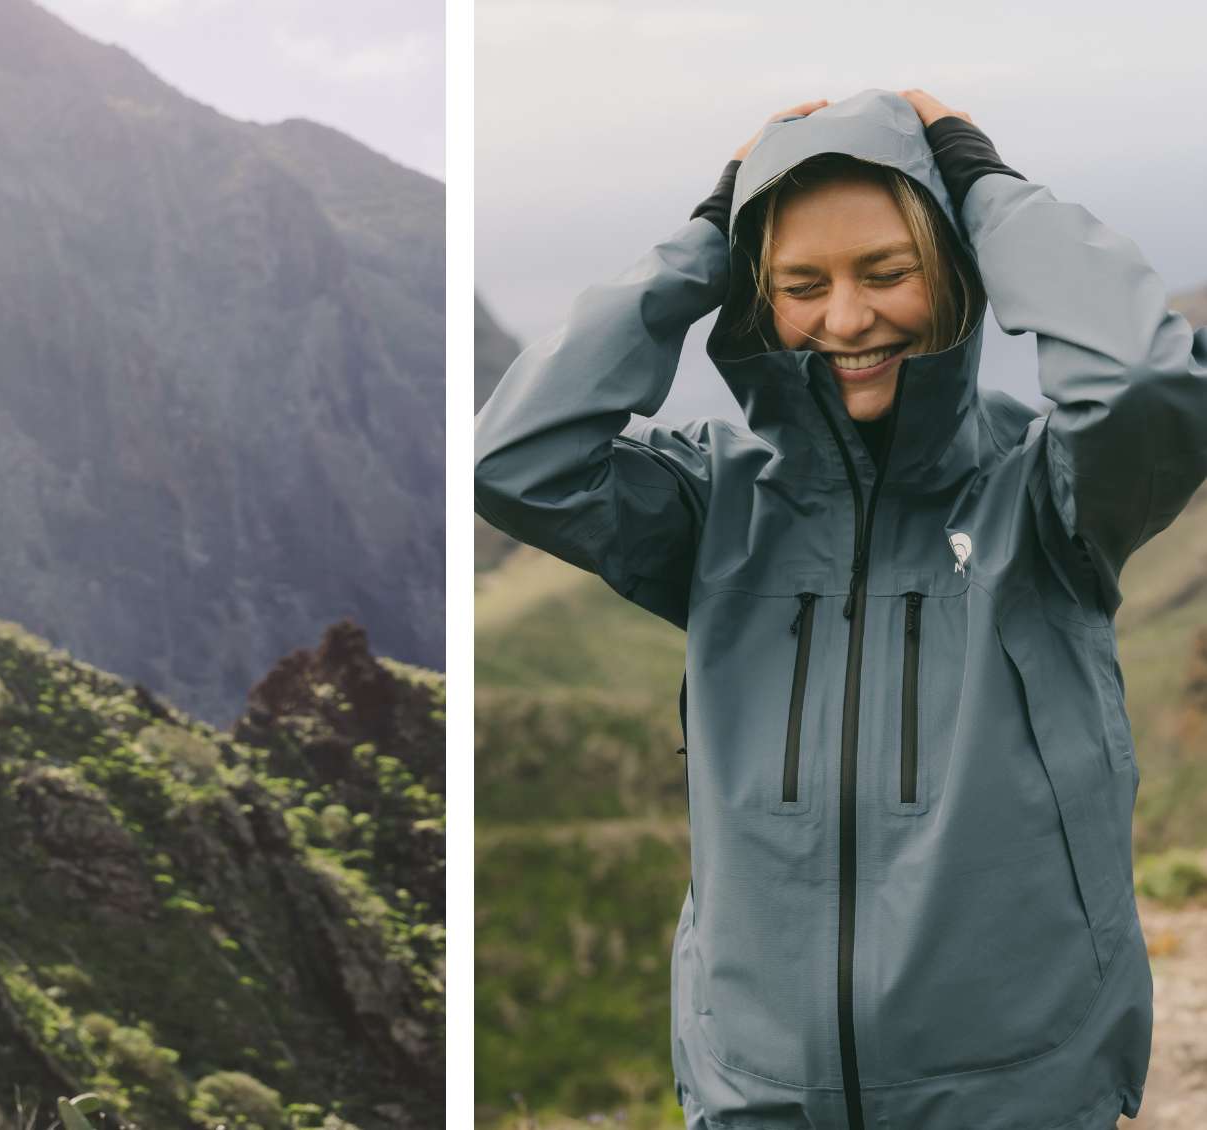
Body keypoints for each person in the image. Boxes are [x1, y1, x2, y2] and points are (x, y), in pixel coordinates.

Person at [477, 89, 1207, 1128]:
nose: (847, 318)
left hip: (1017, 1093)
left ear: (951, 274)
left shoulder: (1046, 497)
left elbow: (1140, 380)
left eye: (888, 271)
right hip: (756, 1090)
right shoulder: (715, 500)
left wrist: (982, 182)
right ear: (754, 298)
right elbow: (513, 460)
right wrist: (708, 229)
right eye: (800, 284)